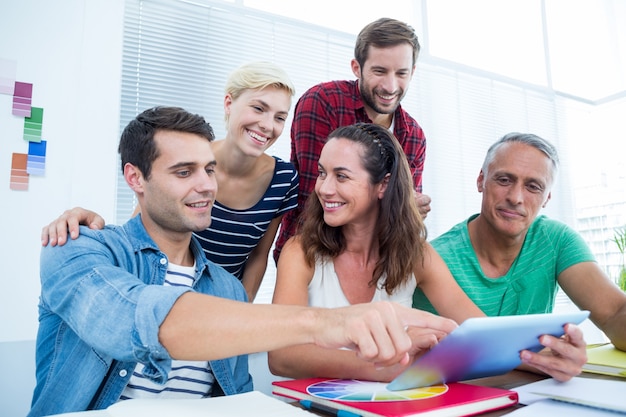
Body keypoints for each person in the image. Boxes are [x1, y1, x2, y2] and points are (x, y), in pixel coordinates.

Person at [30, 107, 458, 416]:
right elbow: (140, 319)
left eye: (209, 170)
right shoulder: (75, 248)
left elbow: (238, 402)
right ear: (135, 178)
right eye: (184, 172)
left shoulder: (226, 289)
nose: (205, 186)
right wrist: (327, 323)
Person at [268, 123, 585, 383]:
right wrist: (388, 366)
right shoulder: (300, 253)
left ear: (383, 185)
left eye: (342, 176)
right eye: (323, 173)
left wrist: (554, 359)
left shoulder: (416, 256)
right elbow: (282, 357)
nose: (323, 188)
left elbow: (482, 335)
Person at [41, 61, 299, 302]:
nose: (267, 125)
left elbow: (258, 256)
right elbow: (142, 225)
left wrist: (239, 312)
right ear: (229, 103)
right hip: (159, 290)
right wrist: (90, 230)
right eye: (258, 108)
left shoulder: (284, 179)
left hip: (221, 300)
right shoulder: (184, 156)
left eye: (279, 117)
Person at [413, 132, 626, 354]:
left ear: (547, 198)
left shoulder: (556, 240)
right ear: (481, 181)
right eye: (504, 180)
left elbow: (614, 312)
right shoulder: (434, 258)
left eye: (533, 186)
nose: (515, 198)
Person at [273, 17, 431, 263]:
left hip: (372, 264)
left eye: (401, 73)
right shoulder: (323, 102)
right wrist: (394, 205)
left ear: (413, 71)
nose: (391, 86)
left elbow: (404, 219)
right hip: (310, 254)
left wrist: (408, 209)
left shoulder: (414, 136)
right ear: (357, 68)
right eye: (379, 71)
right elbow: (316, 198)